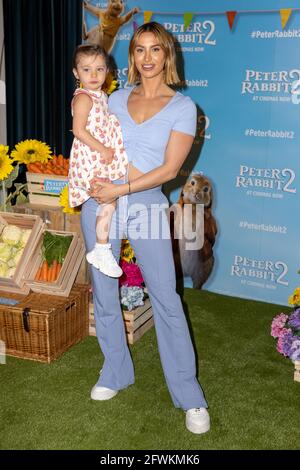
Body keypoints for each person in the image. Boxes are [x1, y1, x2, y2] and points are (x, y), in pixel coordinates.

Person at [81, 22, 210, 435]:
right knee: (103, 292)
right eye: (140, 49)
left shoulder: (182, 107)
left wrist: (123, 187)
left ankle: (189, 395)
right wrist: (91, 185)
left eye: (156, 49)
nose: (148, 57)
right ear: (132, 56)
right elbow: (84, 139)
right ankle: (115, 371)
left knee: (167, 299)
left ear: (167, 55)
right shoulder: (113, 98)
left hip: (148, 206)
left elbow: (170, 169)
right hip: (100, 204)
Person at [69, 44, 128, 278]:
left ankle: (102, 247)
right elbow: (79, 130)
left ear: (107, 71)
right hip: (90, 158)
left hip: (99, 157)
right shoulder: (84, 98)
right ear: (76, 73)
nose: (93, 76)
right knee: (108, 200)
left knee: (110, 201)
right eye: (86, 70)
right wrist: (103, 148)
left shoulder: (102, 96)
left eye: (99, 69)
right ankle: (101, 249)